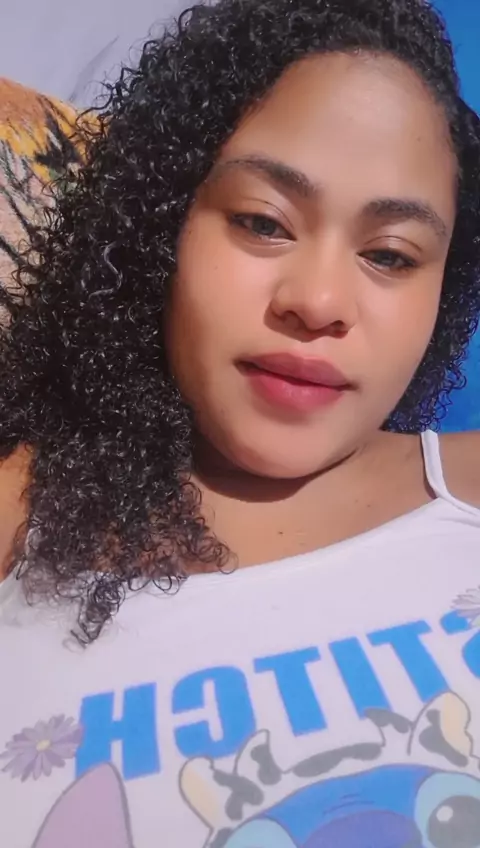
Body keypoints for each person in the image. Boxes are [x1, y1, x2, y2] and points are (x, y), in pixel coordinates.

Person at [0, 0, 480, 844]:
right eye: (262, 222)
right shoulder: (19, 513)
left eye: (390, 254)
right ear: (160, 226)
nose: (318, 302)